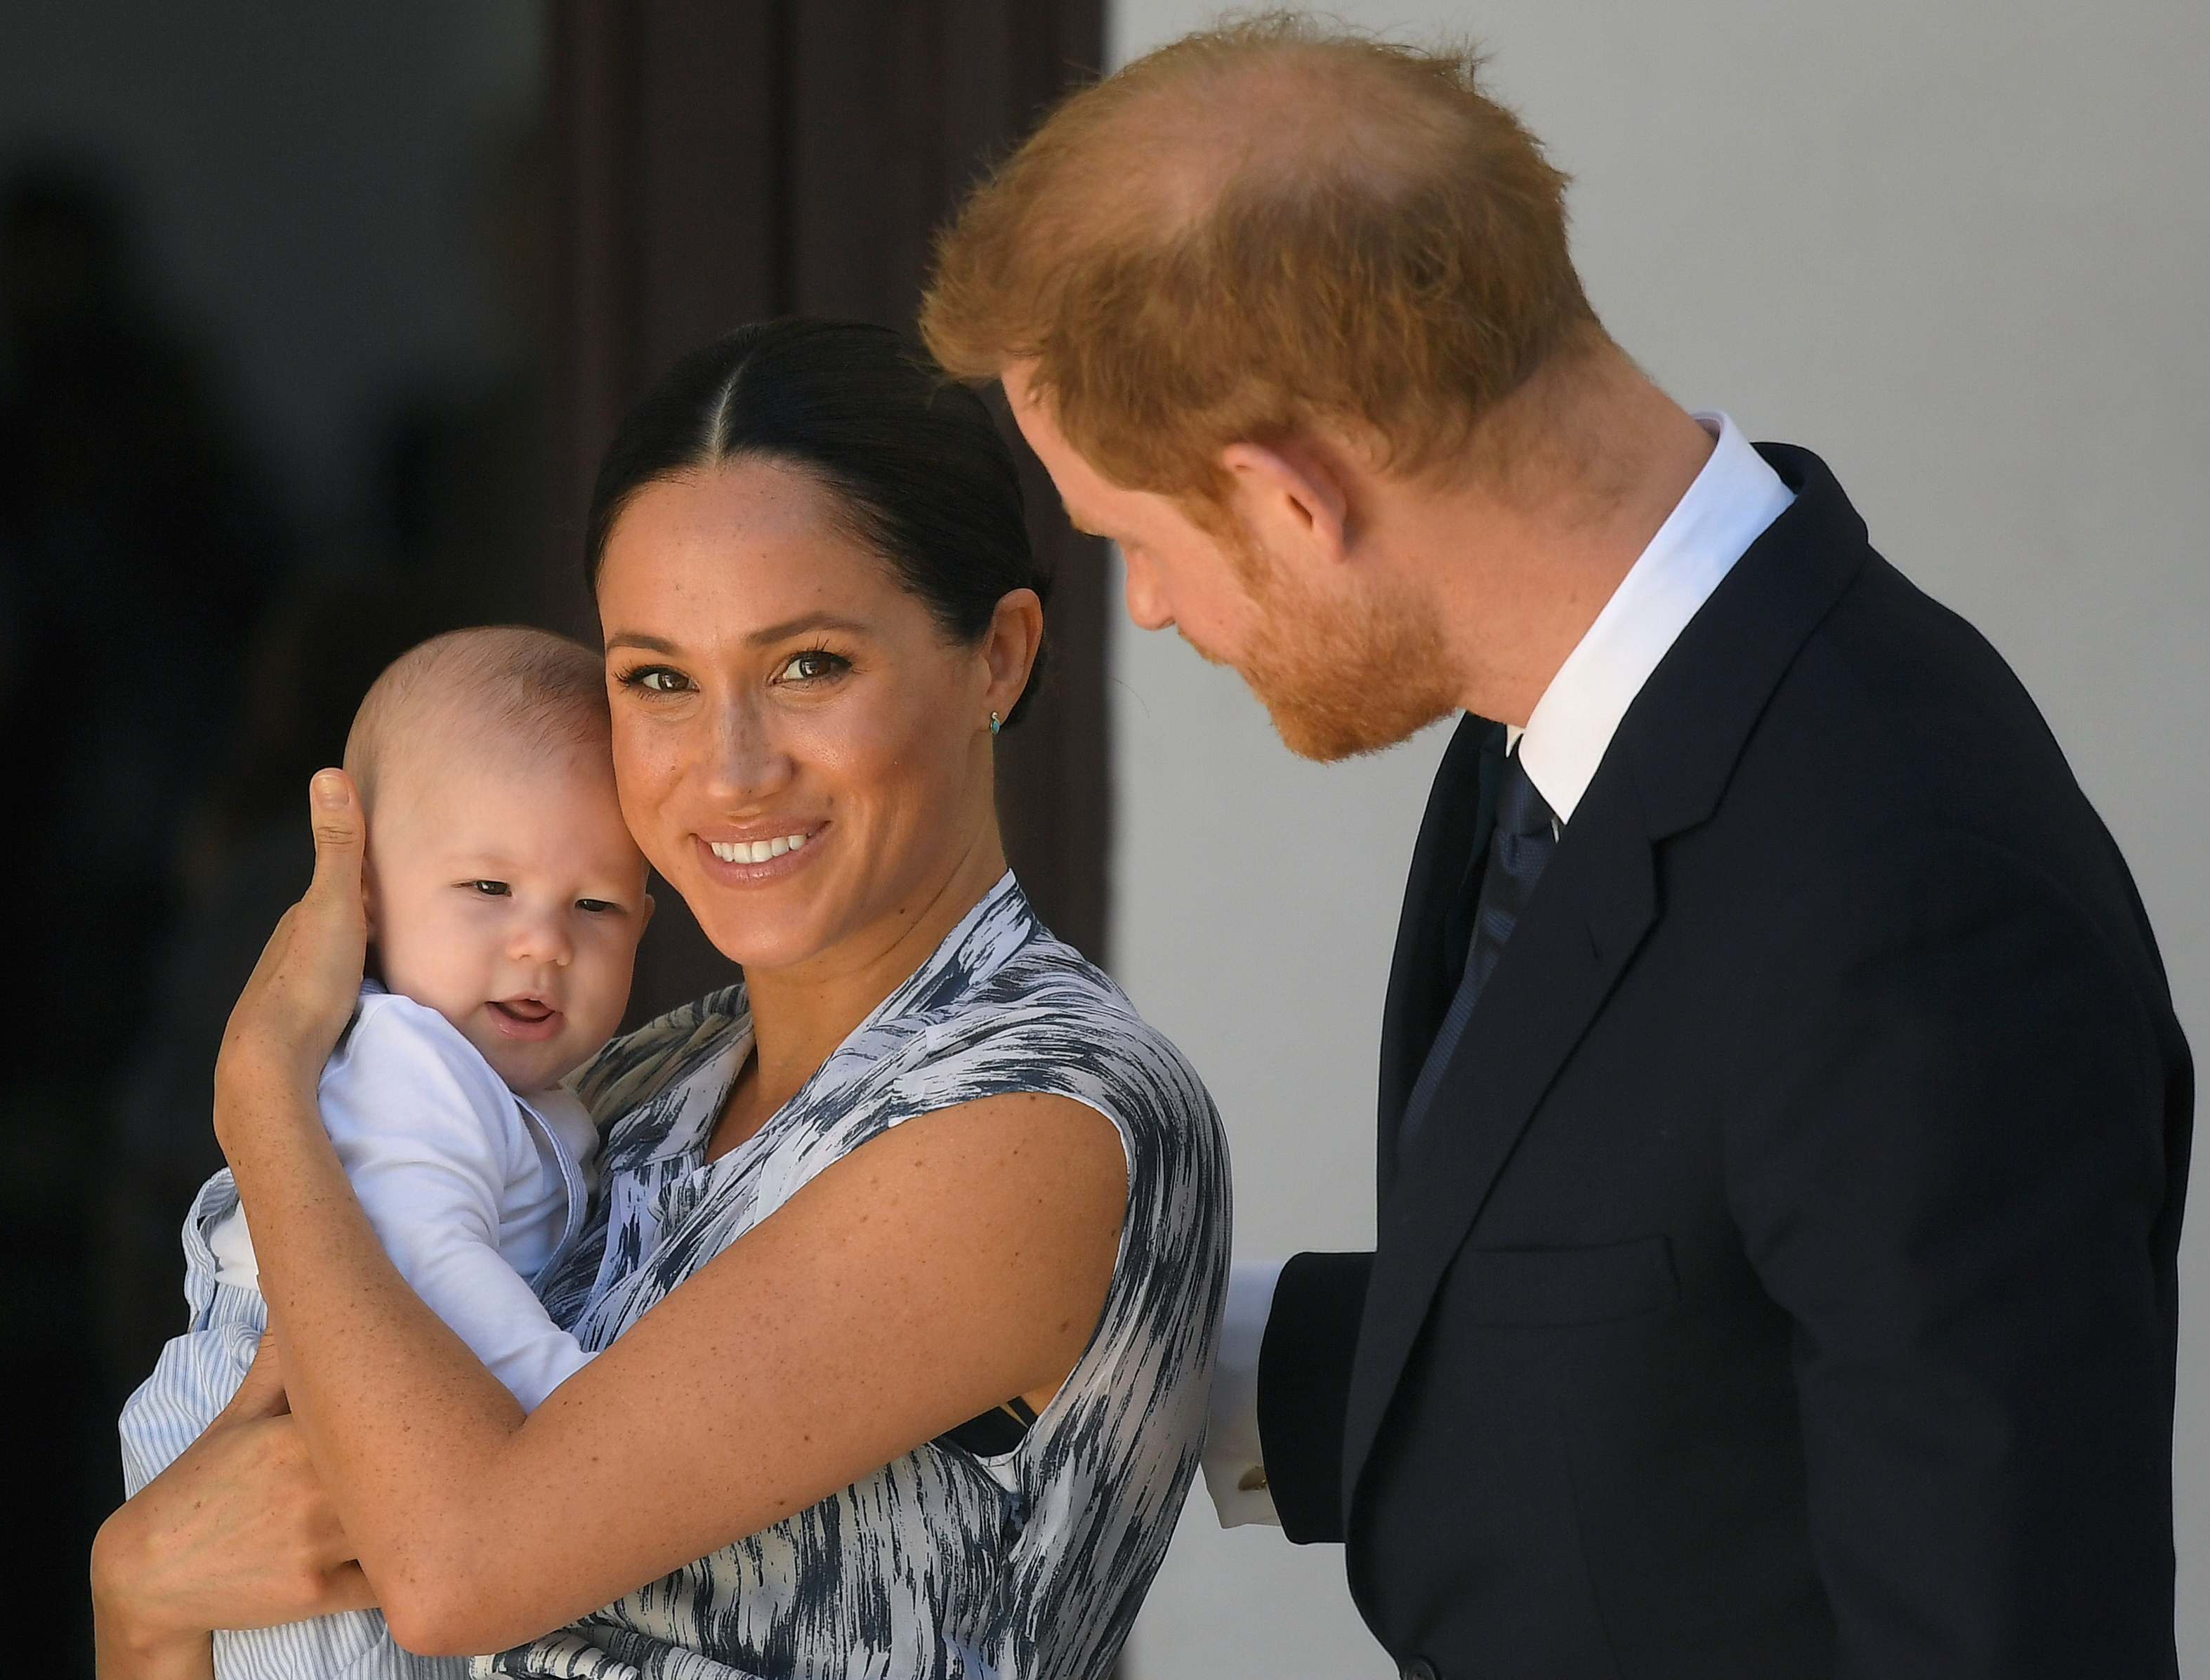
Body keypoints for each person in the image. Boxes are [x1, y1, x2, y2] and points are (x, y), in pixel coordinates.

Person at [922, 15, 2191, 1680]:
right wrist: (1071, 1326)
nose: (1150, 607)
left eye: (1134, 543)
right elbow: (1641, 1329)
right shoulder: (1570, 718)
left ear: (1292, 496)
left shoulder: (1907, 899)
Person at [91, 318, 1232, 1680]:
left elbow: (455, 1570)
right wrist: (138, 1593)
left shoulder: (1038, 1110)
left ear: (998, 653)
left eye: (810, 663)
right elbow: (247, 1587)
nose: (731, 766)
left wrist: (264, 1094)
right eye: (659, 680)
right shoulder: (618, 1090)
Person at [117, 625, 651, 1679]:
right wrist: (587, 1427)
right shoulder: (411, 1063)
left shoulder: (532, 1091)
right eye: (489, 890)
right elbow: (430, 1264)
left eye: (593, 906)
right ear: (360, 901)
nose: (544, 942)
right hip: (283, 1439)